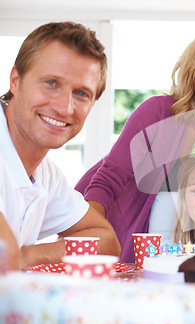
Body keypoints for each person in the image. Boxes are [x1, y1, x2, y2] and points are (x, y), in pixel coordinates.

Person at [75, 30, 195, 263]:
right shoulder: (159, 112)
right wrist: (92, 235)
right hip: (119, 222)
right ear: (193, 75)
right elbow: (109, 176)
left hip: (167, 243)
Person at [0, 21, 121, 270]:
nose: (64, 108)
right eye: (51, 83)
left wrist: (30, 255)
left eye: (81, 94)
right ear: (15, 80)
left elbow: (106, 239)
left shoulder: (46, 175)